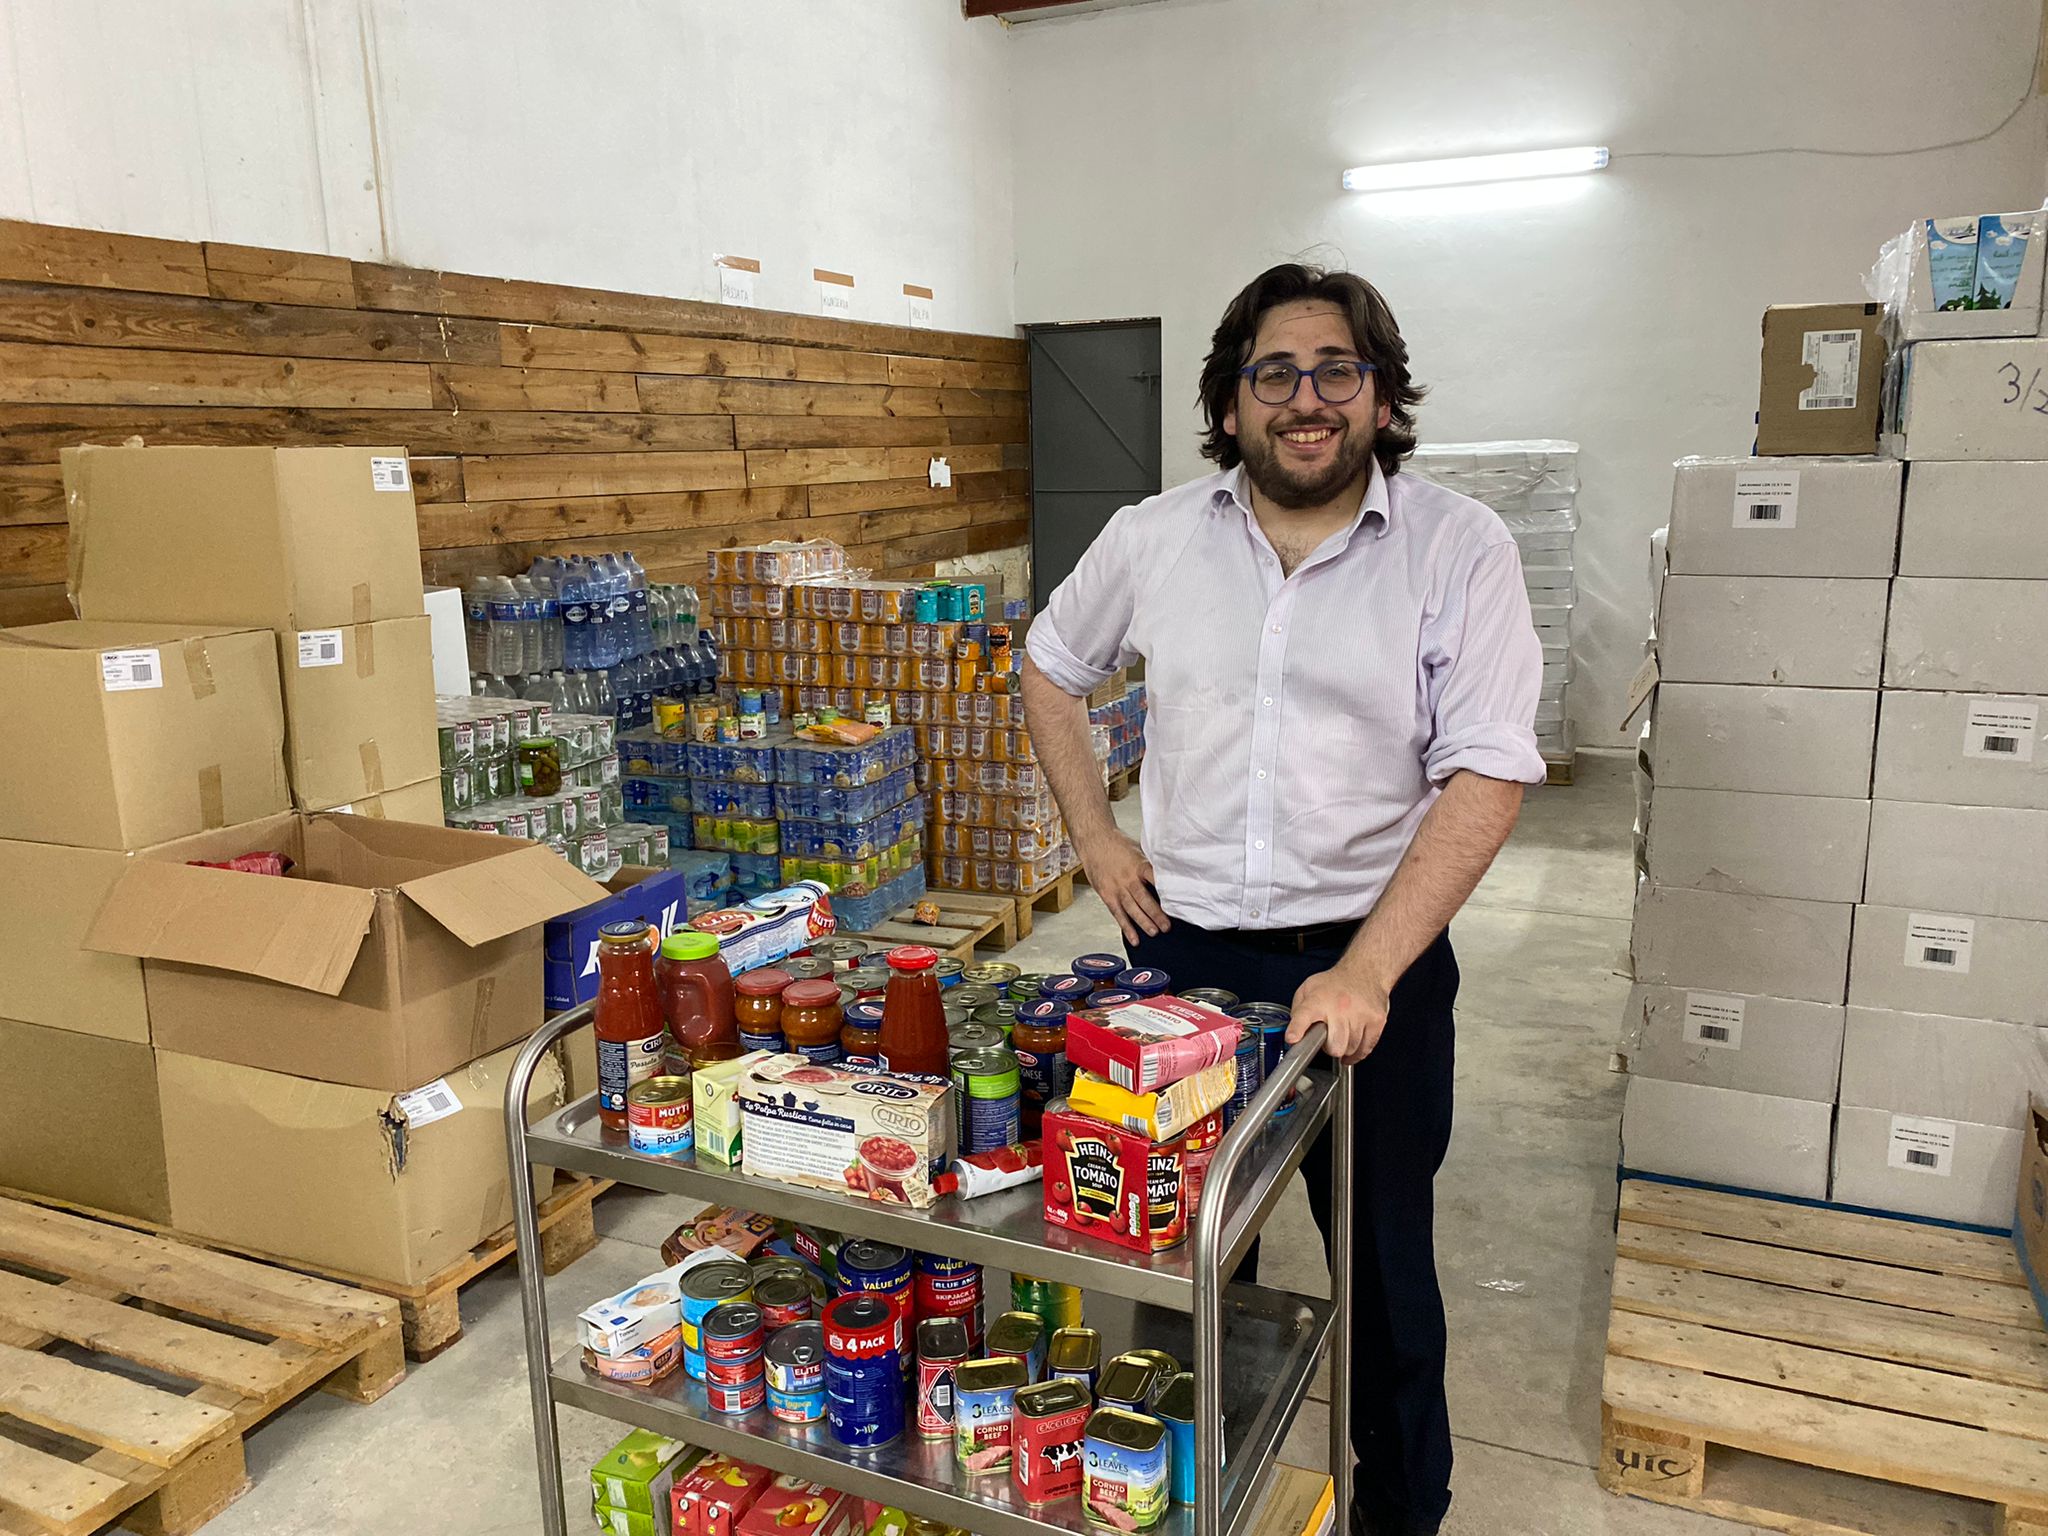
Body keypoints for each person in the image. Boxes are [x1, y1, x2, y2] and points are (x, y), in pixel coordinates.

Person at [1021, 262, 1544, 1536]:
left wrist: (1368, 969)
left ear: (1376, 396)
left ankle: (1399, 1509)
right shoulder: (1152, 538)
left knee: (1377, 1272)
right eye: (1273, 374)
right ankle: (1184, 1488)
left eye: (1333, 371)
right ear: (1230, 399)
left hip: (1370, 971)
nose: (1302, 399)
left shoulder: (1454, 547)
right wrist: (1094, 836)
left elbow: (1488, 769)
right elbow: (1047, 666)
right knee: (1178, 1252)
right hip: (1181, 964)